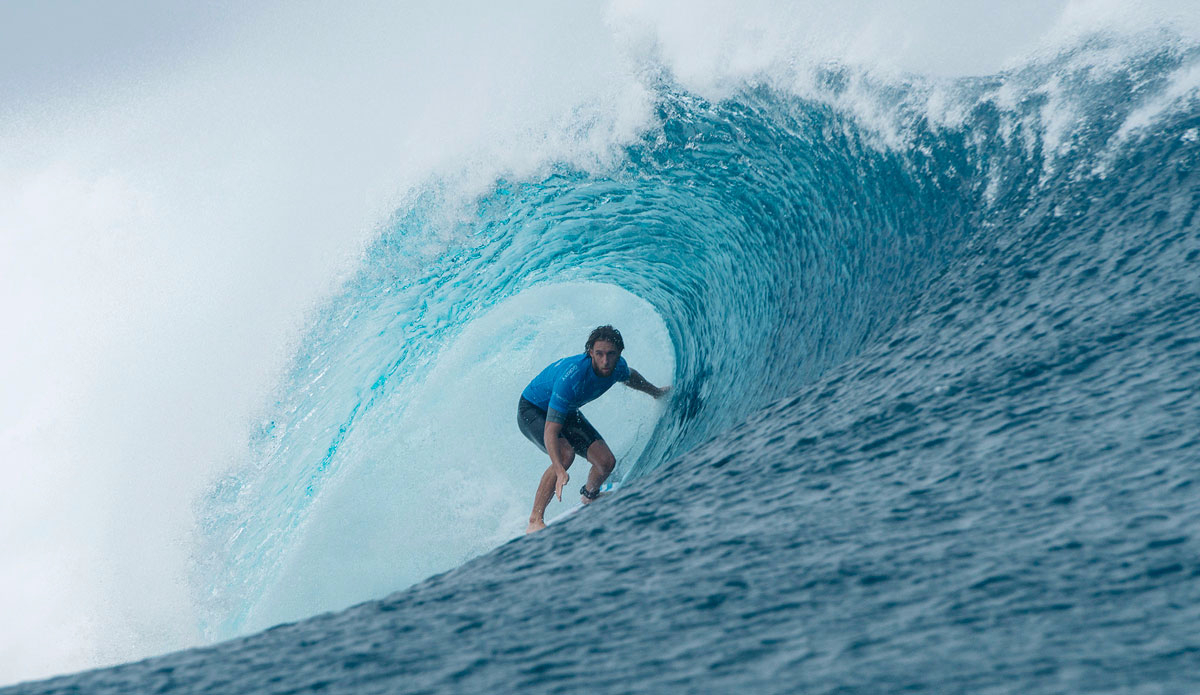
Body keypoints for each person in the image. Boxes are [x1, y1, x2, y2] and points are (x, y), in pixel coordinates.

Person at [518, 325, 670, 533]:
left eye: (611, 354)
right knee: (565, 455)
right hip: (533, 409)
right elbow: (551, 431)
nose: (605, 361)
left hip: (566, 409)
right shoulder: (571, 378)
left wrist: (656, 392)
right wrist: (559, 469)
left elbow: (630, 376)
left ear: (619, 353)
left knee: (606, 462)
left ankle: (590, 496)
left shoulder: (617, 367)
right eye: (599, 354)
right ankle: (535, 519)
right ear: (590, 352)